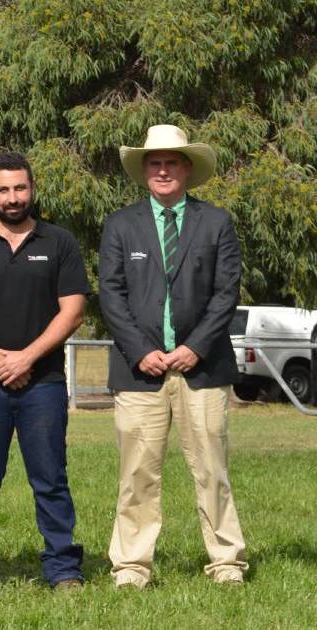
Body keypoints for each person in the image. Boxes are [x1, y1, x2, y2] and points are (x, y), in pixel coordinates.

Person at [99, 124, 247, 588]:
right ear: (145, 171)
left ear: (188, 169)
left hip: (202, 370)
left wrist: (193, 348)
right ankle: (131, 567)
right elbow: (111, 294)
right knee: (137, 474)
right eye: (155, 163)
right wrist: (142, 351)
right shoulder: (120, 225)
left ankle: (226, 562)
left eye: (172, 162)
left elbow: (226, 294)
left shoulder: (216, 222)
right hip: (137, 371)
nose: (163, 170)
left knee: (212, 470)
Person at [0, 152, 89, 591]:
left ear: (33, 188)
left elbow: (74, 311)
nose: (12, 197)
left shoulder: (59, 243)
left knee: (50, 480)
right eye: (3, 189)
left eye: (20, 188)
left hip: (42, 384)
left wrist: (25, 358)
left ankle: (63, 569)